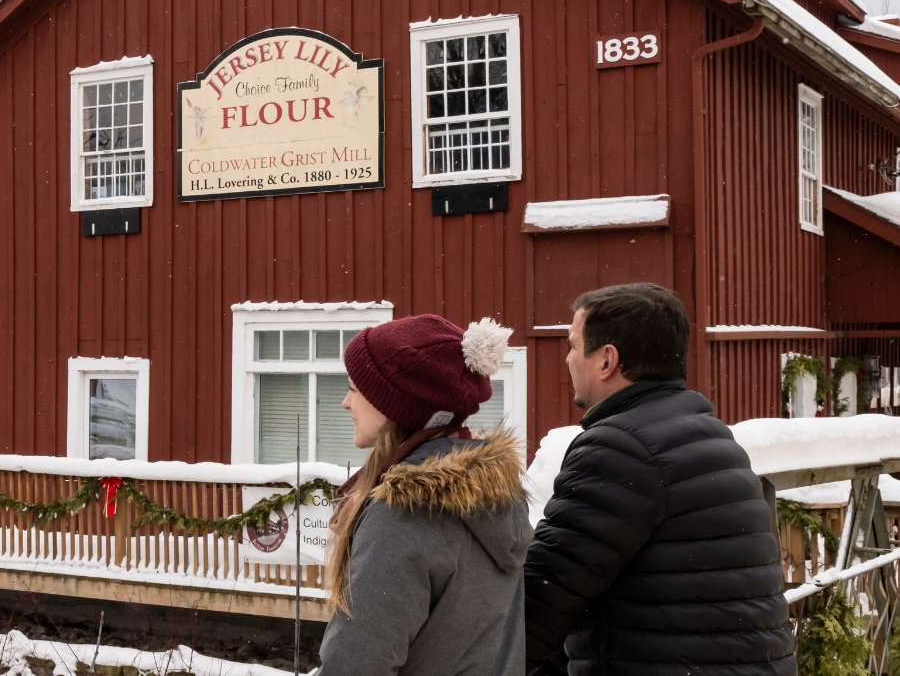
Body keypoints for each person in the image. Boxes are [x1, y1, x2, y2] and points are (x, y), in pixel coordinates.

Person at [524, 283, 792, 675]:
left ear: (606, 361)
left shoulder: (620, 448)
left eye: (573, 345)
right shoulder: (711, 436)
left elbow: (544, 598)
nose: (567, 360)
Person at [317, 314, 530, 675]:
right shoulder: (497, 498)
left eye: (355, 388)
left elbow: (355, 664)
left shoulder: (404, 513)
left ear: (396, 405)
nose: (345, 403)